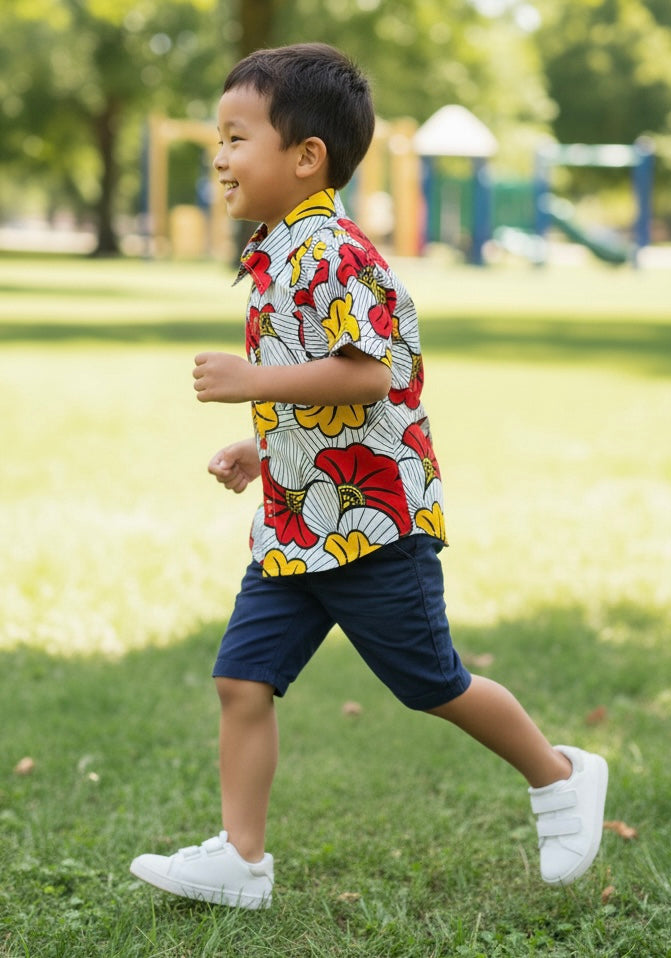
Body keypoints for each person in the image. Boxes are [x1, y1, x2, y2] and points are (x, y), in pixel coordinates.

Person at [130, 42, 608, 910]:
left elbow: (367, 375)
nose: (220, 156)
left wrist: (249, 384)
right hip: (299, 519)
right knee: (242, 679)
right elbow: (316, 382)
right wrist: (259, 441)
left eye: (237, 138)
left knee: (432, 682)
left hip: (370, 520)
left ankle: (560, 774)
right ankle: (242, 860)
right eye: (219, 138)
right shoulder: (280, 248)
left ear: (306, 156)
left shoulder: (336, 253)